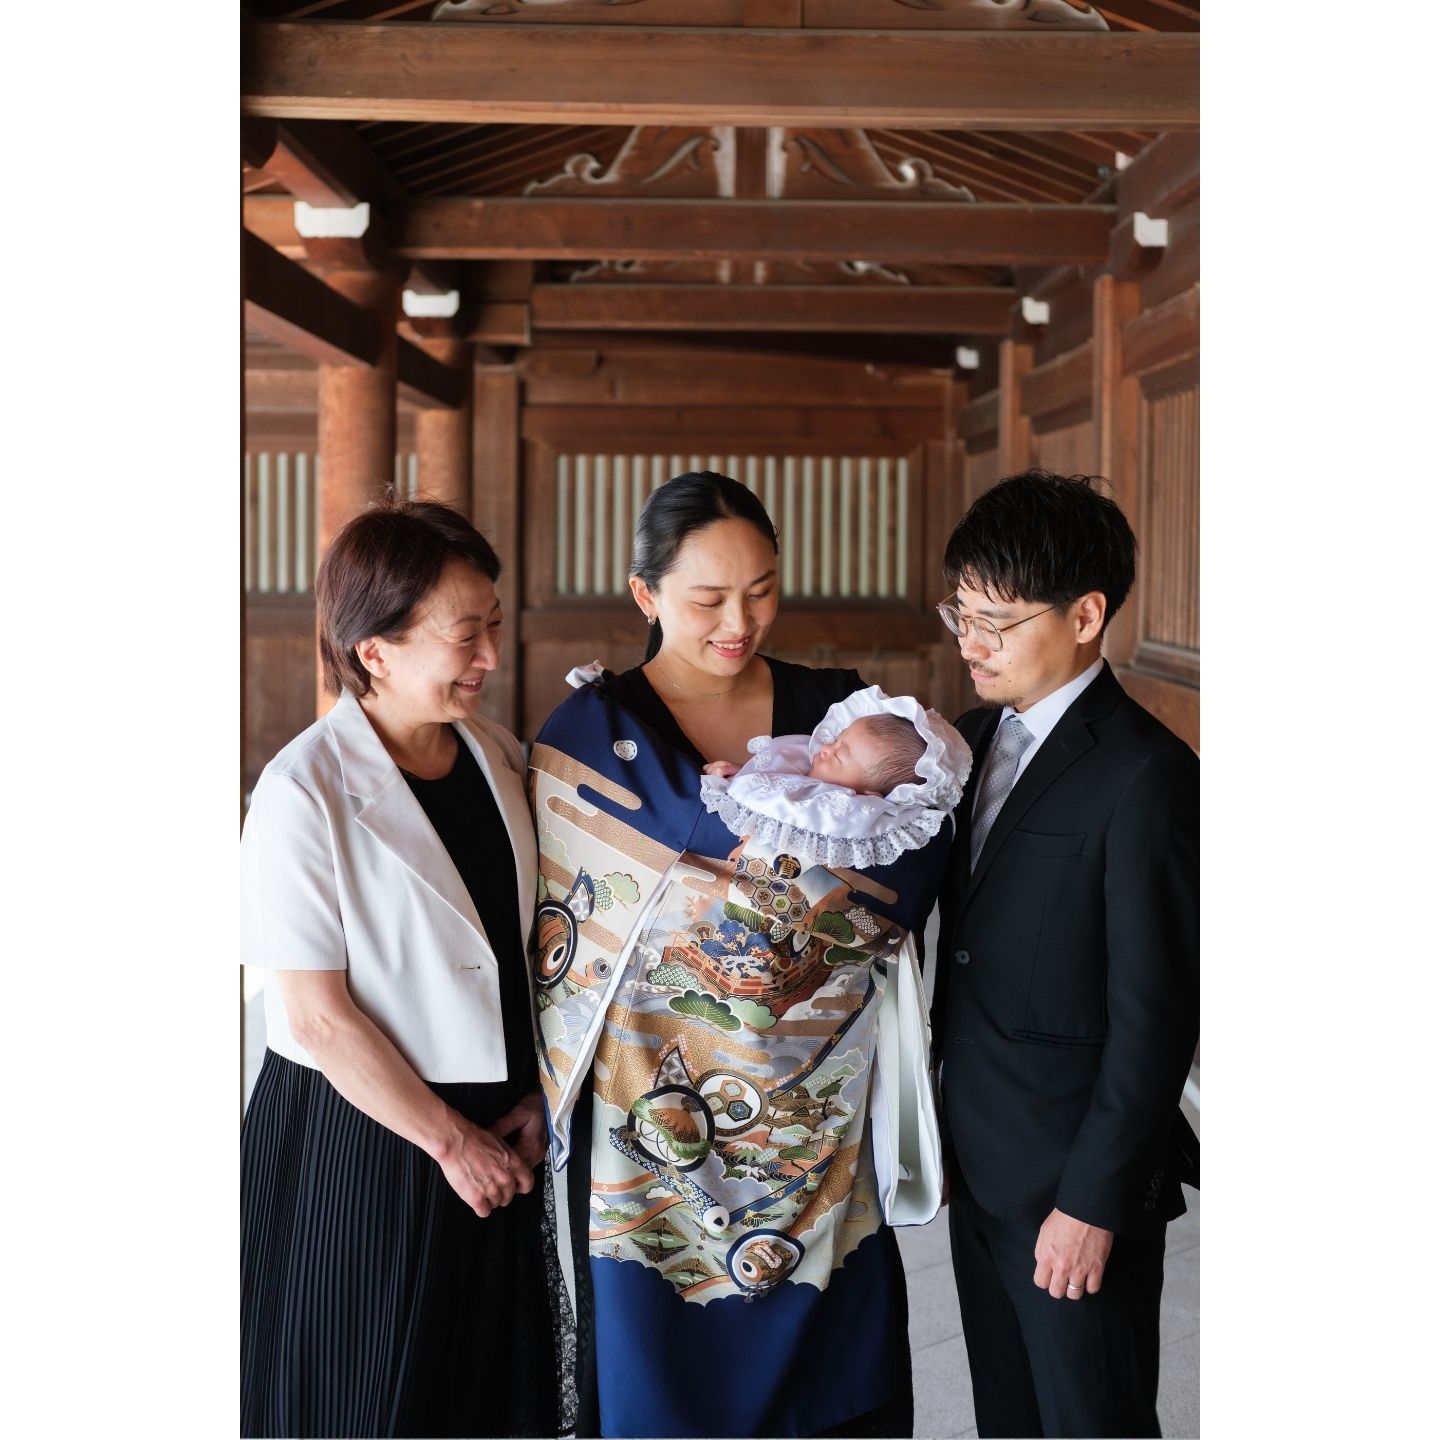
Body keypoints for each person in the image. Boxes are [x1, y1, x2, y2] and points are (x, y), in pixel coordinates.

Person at [530, 472, 954, 1438]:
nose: (740, 621)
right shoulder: (593, 735)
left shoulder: (838, 712)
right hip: (647, 1133)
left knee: (829, 1372)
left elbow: (910, 867)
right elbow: (561, 928)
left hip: (816, 1119)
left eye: (760, 590)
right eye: (707, 600)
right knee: (658, 1382)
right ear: (646, 596)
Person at [240, 500, 569, 1439]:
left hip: (502, 1128)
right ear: (373, 650)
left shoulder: (498, 755)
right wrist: (448, 1143)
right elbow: (315, 1018)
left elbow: (539, 952)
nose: (491, 658)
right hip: (365, 1138)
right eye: (466, 636)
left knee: (483, 1391)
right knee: (361, 1393)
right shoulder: (303, 790)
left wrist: (541, 1097)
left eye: (494, 627)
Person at [930, 470, 1200, 1439]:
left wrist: (1091, 1203)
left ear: (1086, 615)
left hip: (1075, 1188)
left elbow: (1157, 1018)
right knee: (1008, 1416)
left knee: (1093, 1421)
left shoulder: (1149, 777)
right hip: (978, 1160)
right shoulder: (966, 741)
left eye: (996, 622)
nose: (971, 642)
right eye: (960, 613)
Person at [700, 684, 973, 873]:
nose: (826, 748)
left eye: (839, 756)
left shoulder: (847, 813)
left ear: (869, 797)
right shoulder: (809, 763)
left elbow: (771, 801)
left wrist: (735, 785)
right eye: (837, 738)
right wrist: (742, 771)